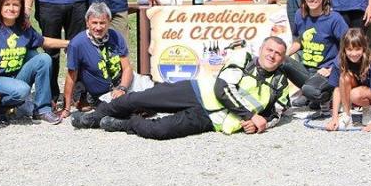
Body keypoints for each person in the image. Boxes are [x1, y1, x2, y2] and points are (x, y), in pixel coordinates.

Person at [73, 37, 290, 140]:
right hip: (197, 91)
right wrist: (251, 115)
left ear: (282, 59)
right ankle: (96, 116)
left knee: (158, 131)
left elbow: (276, 113)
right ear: (261, 49)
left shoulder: (280, 83)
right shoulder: (243, 57)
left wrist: (262, 125)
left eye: (278, 53)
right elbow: (222, 89)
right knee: (140, 98)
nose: (272, 55)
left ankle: (124, 124)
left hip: (212, 120)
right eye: (269, 50)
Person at [0, 0, 68, 124]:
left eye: (16, 5)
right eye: (7, 4)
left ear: (21, 8)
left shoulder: (23, 28)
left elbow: (44, 41)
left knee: (44, 59)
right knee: (23, 90)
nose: (11, 8)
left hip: (17, 76)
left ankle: (43, 110)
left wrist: (69, 43)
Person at [60, 2, 152, 117]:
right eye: (94, 23)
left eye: (102, 23)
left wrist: (122, 88)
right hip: (102, 95)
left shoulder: (116, 36)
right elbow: (71, 77)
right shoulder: (77, 44)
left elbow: (127, 68)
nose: (98, 27)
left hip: (123, 84)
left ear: (109, 22)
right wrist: (66, 108)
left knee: (151, 92)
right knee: (122, 107)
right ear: (87, 22)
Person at [283, 0, 348, 110]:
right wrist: (284, 54)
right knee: (279, 61)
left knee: (310, 90)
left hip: (327, 71)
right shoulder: (299, 15)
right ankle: (283, 101)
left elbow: (348, 47)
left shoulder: (334, 19)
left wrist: (332, 68)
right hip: (307, 69)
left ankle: (328, 96)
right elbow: (300, 40)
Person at [325, 28, 371, 132]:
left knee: (355, 94)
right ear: (344, 49)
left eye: (357, 49)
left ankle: (368, 108)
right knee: (344, 77)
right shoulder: (339, 61)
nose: (353, 53)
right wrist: (334, 118)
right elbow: (337, 89)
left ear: (364, 48)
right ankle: (346, 114)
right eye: (349, 49)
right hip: (353, 91)